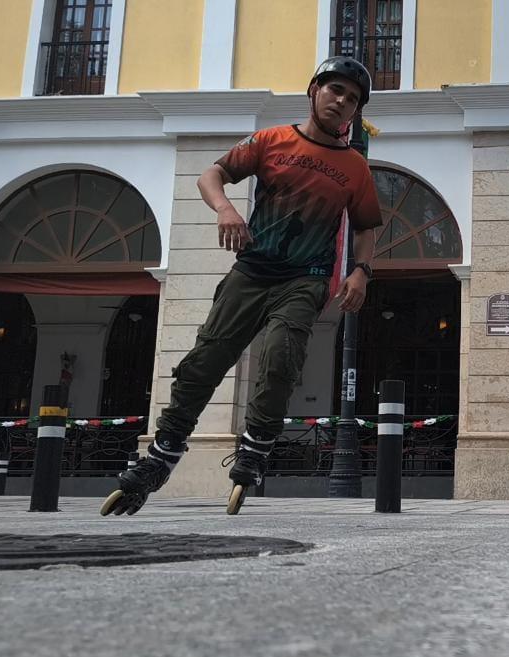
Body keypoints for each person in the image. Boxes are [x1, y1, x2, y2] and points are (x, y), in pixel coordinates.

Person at [101, 56, 382, 516]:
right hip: (251, 272)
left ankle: (254, 450)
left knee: (280, 358)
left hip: (305, 277)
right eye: (335, 90)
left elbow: (368, 226)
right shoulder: (271, 140)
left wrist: (361, 271)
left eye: (352, 99)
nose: (341, 101)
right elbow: (210, 174)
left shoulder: (354, 167)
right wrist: (226, 210)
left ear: (355, 113)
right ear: (313, 90)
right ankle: (162, 456)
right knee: (202, 364)